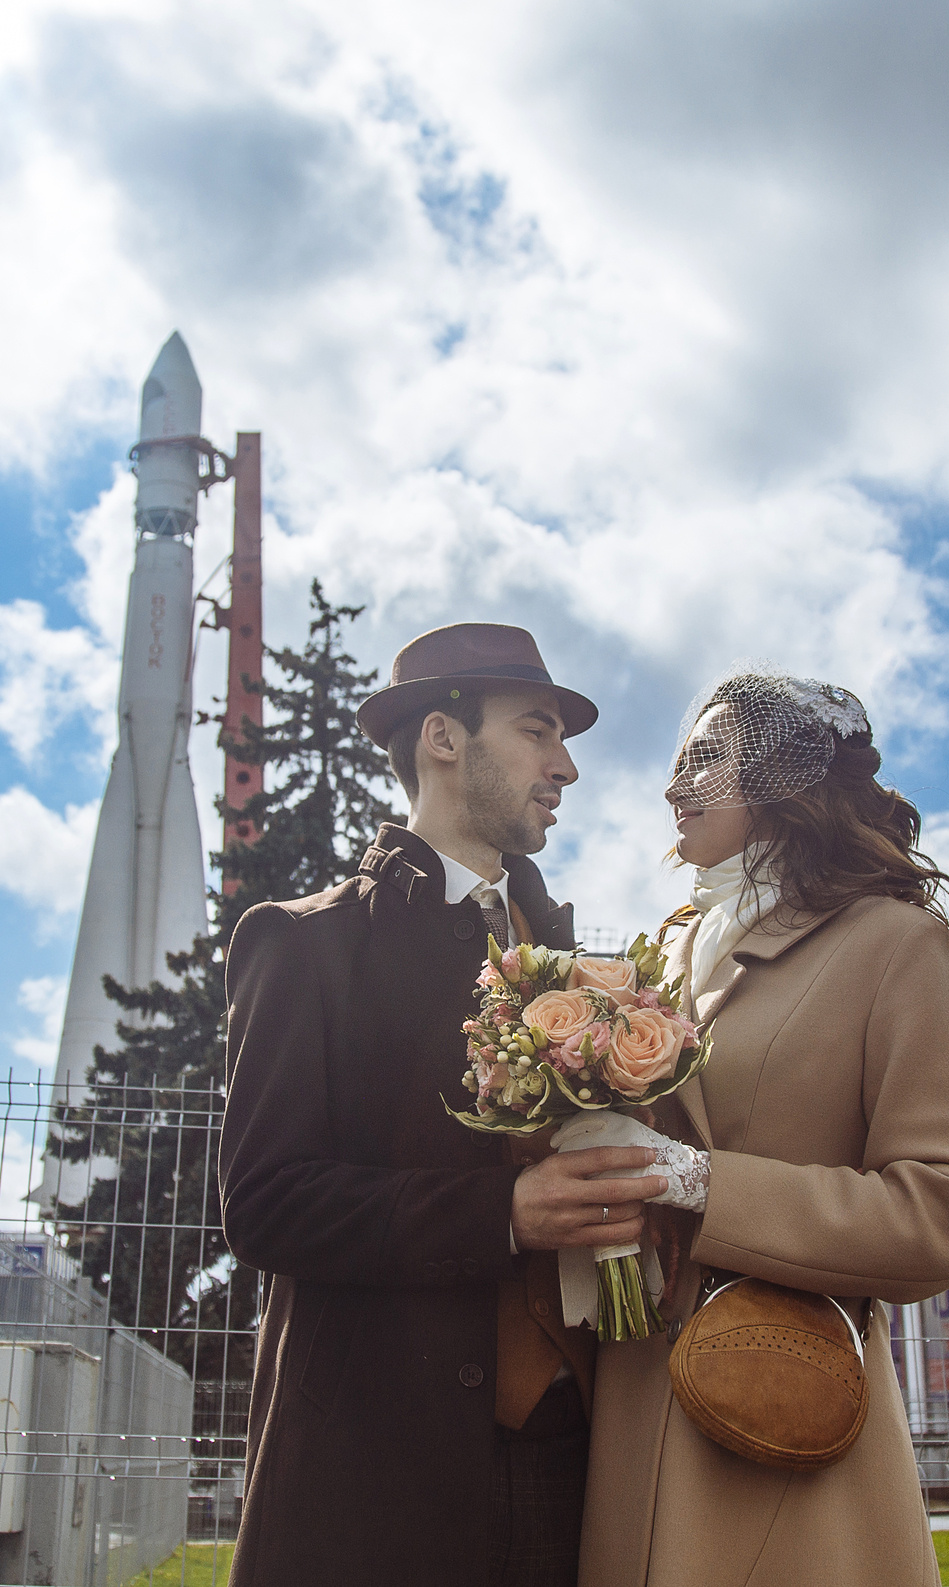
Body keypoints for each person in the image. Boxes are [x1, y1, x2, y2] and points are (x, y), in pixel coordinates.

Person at [220, 622, 669, 1587]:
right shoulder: (304, 946)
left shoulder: (581, 965)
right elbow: (265, 1203)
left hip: (574, 1463)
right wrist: (502, 1215)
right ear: (443, 737)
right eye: (540, 731)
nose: (566, 767)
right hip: (379, 1481)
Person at [578, 671, 949, 1587]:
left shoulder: (893, 944)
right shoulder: (659, 953)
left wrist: (701, 1183)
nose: (671, 784)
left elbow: (948, 1209)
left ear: (778, 778)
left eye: (703, 758)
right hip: (634, 1417)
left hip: (784, 1426)